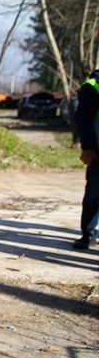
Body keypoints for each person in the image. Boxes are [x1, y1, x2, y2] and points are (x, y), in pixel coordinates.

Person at [73, 68, 99, 250]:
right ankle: (89, 233)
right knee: (95, 193)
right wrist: (88, 147)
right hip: (98, 151)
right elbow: (83, 118)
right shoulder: (93, 86)